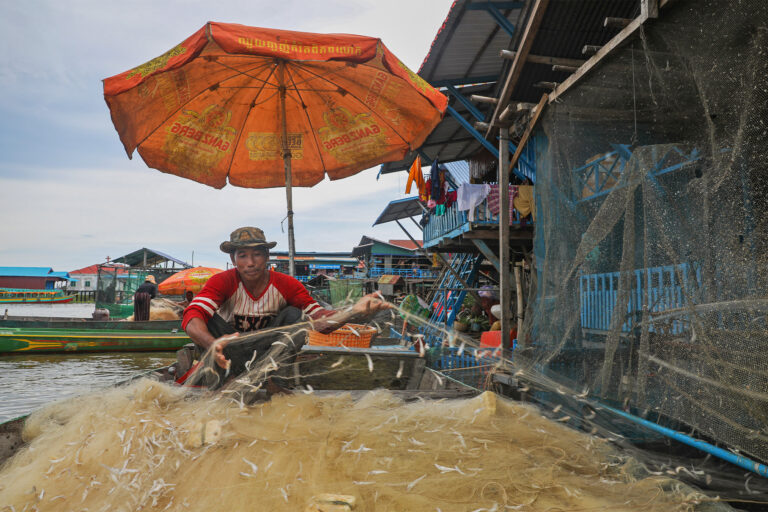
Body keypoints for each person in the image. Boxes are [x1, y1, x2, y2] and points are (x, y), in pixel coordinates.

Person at [183, 227, 390, 380]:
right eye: (243, 255)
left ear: (266, 257)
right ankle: (223, 380)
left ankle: (271, 380)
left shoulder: (286, 284)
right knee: (205, 320)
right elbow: (192, 316)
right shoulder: (223, 281)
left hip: (267, 354)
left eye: (257, 254)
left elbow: (321, 323)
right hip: (229, 351)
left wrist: (353, 311)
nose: (250, 262)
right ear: (233, 258)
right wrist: (213, 345)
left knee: (295, 316)